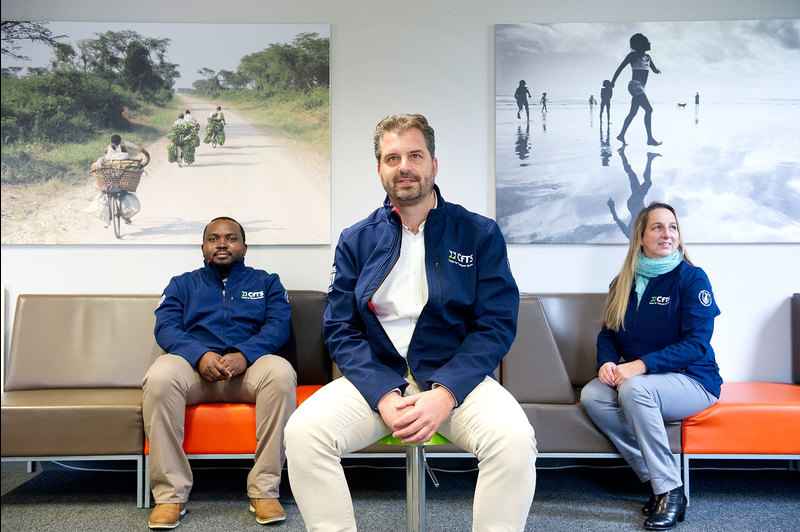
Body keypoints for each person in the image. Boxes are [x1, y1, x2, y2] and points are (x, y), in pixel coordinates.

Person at [285, 113, 537, 531]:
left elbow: (495, 324)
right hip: (380, 380)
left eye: (414, 155)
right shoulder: (356, 238)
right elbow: (341, 329)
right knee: (304, 434)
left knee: (514, 442)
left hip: (455, 378)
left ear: (433, 165)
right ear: (380, 169)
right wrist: (383, 394)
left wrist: (446, 393)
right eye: (392, 158)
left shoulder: (478, 233)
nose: (404, 166)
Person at [143, 217, 296, 529]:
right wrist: (200, 355)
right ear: (204, 248)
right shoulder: (181, 284)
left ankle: (265, 490)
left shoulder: (267, 283)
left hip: (248, 372)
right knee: (159, 376)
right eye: (213, 238)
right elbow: (166, 326)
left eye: (230, 238)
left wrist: (246, 354)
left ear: (243, 246)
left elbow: (278, 326)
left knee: (280, 372)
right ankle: (170, 496)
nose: (222, 243)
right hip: (195, 372)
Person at [580, 202, 722, 531]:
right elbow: (608, 334)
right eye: (657, 227)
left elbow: (697, 344)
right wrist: (607, 363)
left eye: (672, 227)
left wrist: (641, 366)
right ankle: (654, 476)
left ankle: (670, 492)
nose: (667, 233)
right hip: (644, 379)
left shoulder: (692, 278)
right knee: (592, 394)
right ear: (641, 237)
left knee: (633, 388)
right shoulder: (623, 282)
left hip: (693, 380)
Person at [610, 33, 661, 146]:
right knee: (649, 110)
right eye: (646, 42)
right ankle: (650, 139)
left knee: (633, 113)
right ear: (640, 44)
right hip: (634, 86)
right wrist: (613, 82)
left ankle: (621, 135)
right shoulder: (633, 56)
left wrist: (657, 70)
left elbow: (653, 68)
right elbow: (620, 68)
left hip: (641, 87)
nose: (649, 43)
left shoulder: (648, 57)